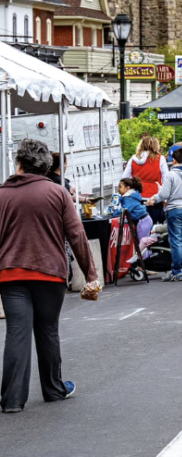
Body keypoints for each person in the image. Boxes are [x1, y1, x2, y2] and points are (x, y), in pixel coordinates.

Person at [0, 138, 101, 413]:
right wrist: (91, 274)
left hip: (10, 274)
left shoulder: (2, 194)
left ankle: (11, 400)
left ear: (19, 164)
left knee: (17, 331)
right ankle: (54, 389)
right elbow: (77, 235)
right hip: (50, 274)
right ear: (45, 166)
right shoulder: (57, 193)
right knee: (47, 330)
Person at [148, 146, 182, 282]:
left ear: (174, 161)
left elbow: (164, 194)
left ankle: (177, 271)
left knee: (176, 241)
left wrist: (154, 198)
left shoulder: (170, 175)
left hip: (174, 209)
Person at [122, 135, 168, 221]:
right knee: (154, 225)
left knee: (138, 224)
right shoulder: (160, 159)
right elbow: (166, 179)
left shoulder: (133, 159)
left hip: (137, 197)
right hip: (154, 197)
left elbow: (124, 179)